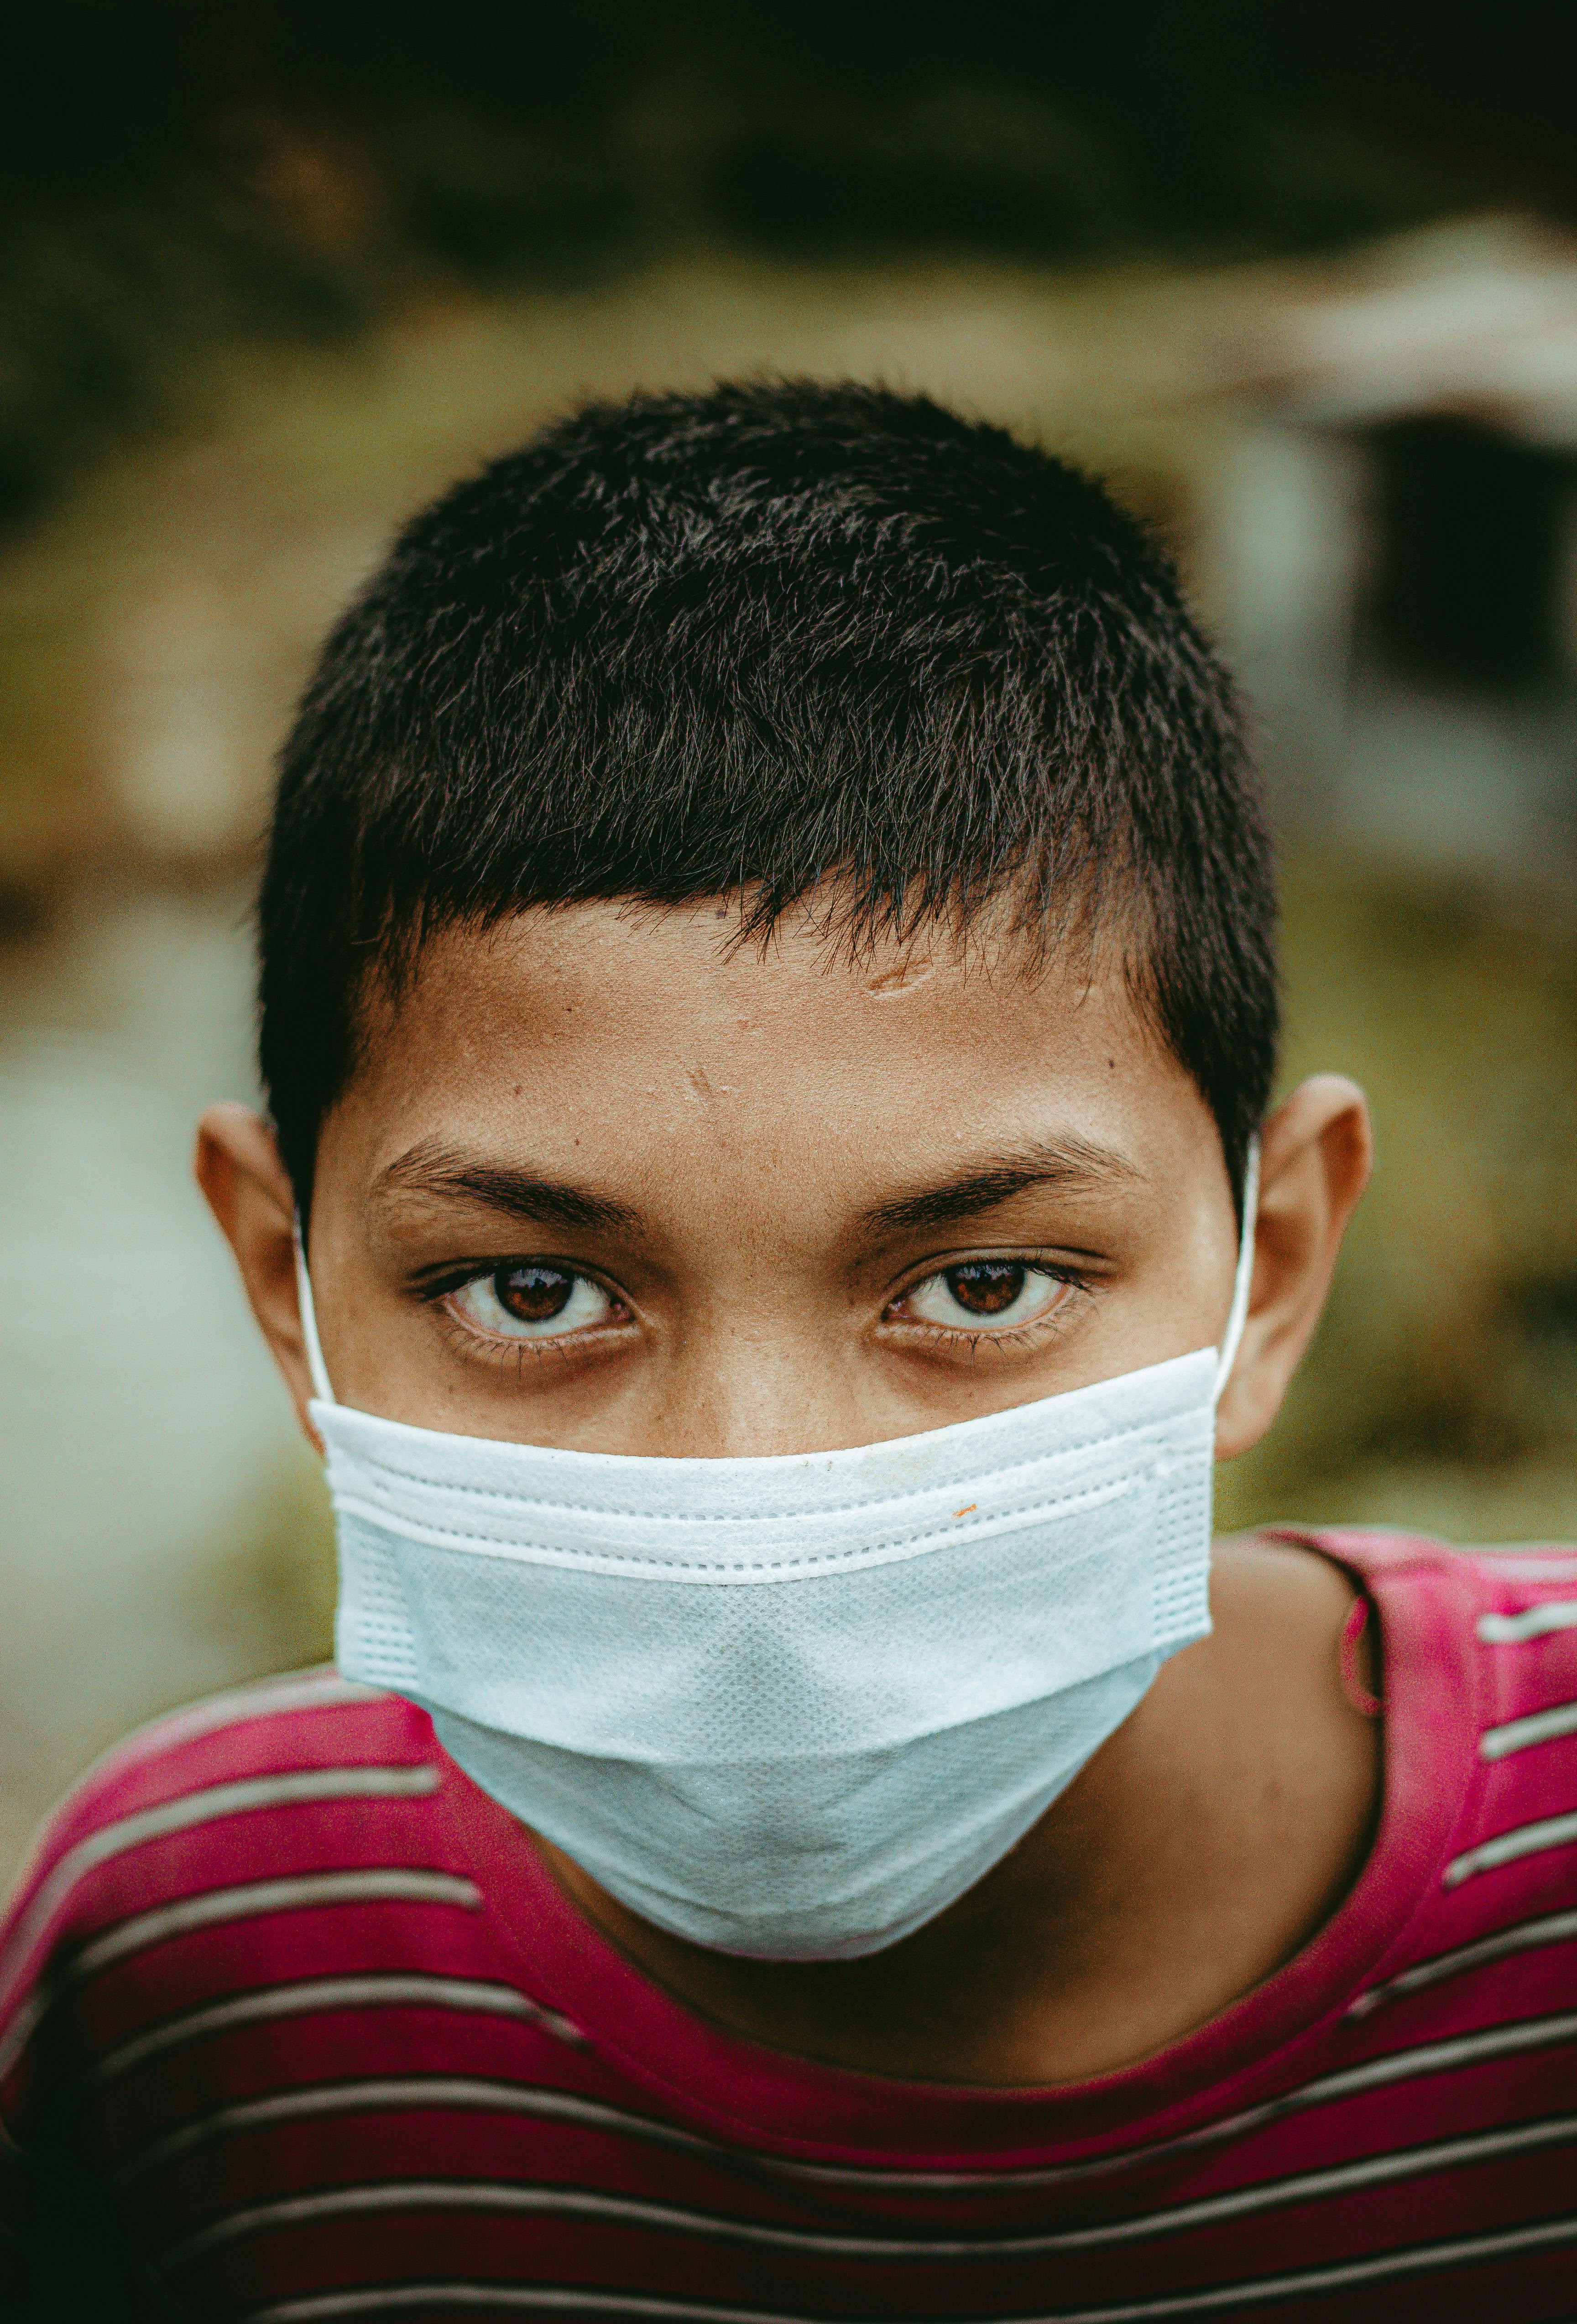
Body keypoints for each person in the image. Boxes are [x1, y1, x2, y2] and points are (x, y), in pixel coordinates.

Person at [2, 383, 1573, 2323]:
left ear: (1274, 1270)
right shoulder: (189, 1968)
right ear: (287, 1288)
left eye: (984, 1287)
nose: (756, 1513)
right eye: (533, 1293)